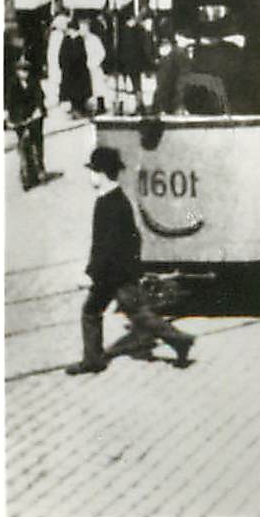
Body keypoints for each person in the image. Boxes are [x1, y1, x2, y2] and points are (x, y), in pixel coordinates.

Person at [65, 146, 195, 375]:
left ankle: (178, 339)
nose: (90, 176)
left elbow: (105, 247)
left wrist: (90, 274)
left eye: (92, 171)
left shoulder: (109, 204)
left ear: (101, 173)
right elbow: (133, 238)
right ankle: (93, 358)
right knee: (118, 312)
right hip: (118, 272)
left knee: (119, 313)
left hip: (113, 274)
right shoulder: (116, 200)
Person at [5, 57, 50, 190]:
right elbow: (9, 102)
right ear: (17, 71)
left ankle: (40, 169)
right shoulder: (13, 83)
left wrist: (38, 110)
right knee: (24, 146)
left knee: (37, 143)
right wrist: (9, 118)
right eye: (21, 70)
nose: (24, 73)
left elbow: (39, 97)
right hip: (19, 118)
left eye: (26, 70)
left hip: (35, 117)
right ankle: (26, 175)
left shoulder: (34, 82)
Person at [60, 15, 93, 117]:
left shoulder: (71, 40)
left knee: (76, 92)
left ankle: (78, 109)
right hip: (76, 71)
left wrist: (64, 66)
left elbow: (62, 55)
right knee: (76, 92)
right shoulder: (74, 40)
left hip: (74, 71)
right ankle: (77, 109)